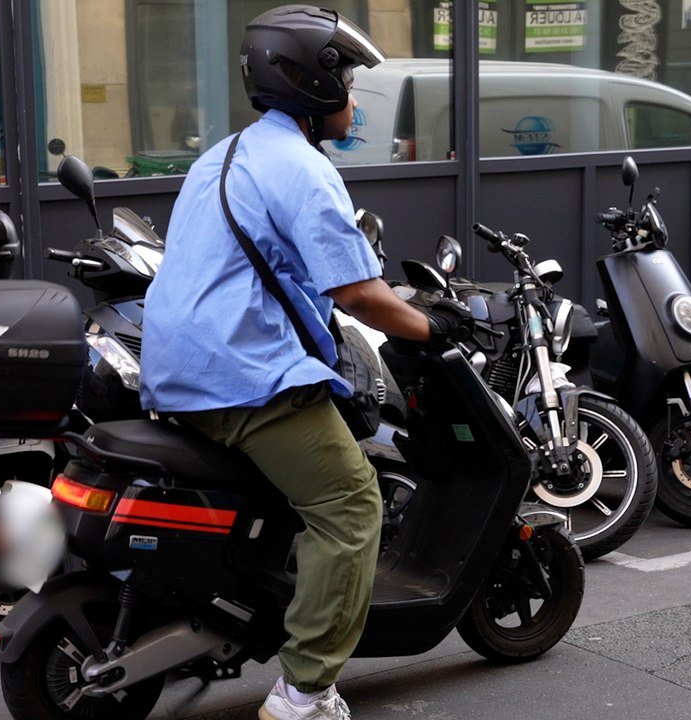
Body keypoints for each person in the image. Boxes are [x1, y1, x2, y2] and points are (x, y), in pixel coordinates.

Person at [138, 6, 464, 720]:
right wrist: (434, 325)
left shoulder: (222, 155)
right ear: (311, 86)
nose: (353, 95)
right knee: (351, 507)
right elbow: (358, 294)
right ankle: (305, 693)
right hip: (246, 374)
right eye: (344, 78)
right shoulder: (304, 170)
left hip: (177, 367)